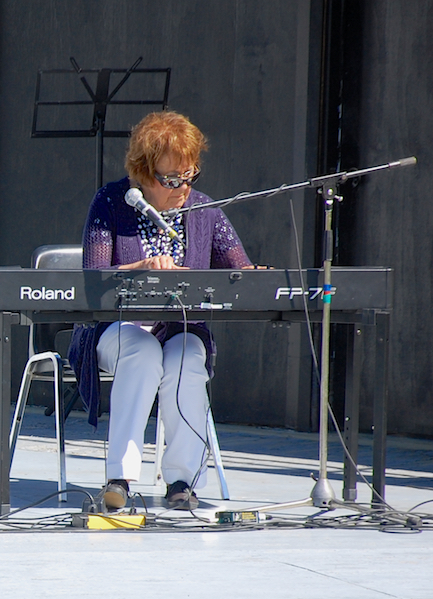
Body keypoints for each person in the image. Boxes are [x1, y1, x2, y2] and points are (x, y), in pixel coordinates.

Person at [68, 111, 257, 511]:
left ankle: (182, 481)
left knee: (187, 357)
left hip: (177, 329)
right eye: (171, 179)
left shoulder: (204, 210)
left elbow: (241, 272)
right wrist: (142, 267)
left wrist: (261, 276)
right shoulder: (111, 202)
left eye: (189, 176)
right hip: (116, 329)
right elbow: (92, 279)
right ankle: (119, 479)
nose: (182, 188)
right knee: (142, 351)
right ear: (142, 173)